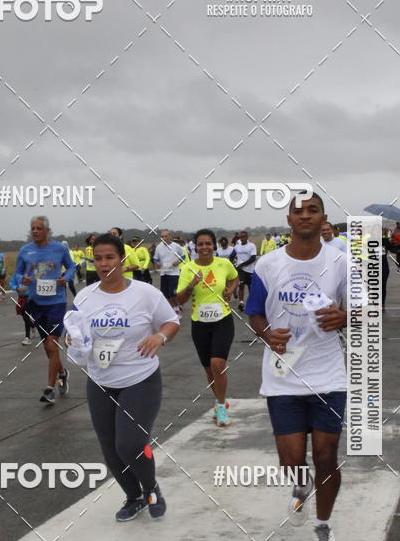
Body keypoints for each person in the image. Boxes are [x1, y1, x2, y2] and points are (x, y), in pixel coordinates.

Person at [246, 192, 348, 541]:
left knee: (325, 454)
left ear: (323, 218)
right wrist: (266, 333)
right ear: (288, 219)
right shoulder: (268, 264)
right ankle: (300, 485)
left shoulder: (340, 261)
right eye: (298, 211)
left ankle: (322, 525)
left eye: (313, 210)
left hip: (328, 375)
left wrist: (346, 317)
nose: (305, 216)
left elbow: (362, 308)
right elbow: (254, 312)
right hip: (283, 375)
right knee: (291, 460)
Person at [70, 233, 179, 521]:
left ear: (122, 259)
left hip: (140, 378)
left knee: (129, 444)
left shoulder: (145, 293)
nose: (104, 264)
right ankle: (134, 497)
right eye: (98, 259)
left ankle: (151, 487)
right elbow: (76, 332)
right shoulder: (84, 296)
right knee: (109, 447)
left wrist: (159, 337)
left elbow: (171, 321)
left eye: (110, 257)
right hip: (100, 380)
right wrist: (75, 343)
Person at [174, 229, 238, 427]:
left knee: (218, 364)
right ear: (195, 246)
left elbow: (234, 278)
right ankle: (221, 400)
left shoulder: (223, 264)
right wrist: (192, 284)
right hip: (199, 324)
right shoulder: (187, 268)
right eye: (200, 244)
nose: (204, 248)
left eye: (208, 243)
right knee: (209, 370)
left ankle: (220, 407)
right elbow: (180, 298)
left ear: (214, 246)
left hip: (223, 321)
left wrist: (231, 289)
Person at [14, 215, 75, 404]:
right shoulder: (25, 251)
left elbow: (71, 266)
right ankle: (62, 373)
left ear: (48, 231)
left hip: (56, 302)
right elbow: (17, 274)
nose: (35, 231)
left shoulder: (59, 248)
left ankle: (50, 389)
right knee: (48, 349)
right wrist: (20, 282)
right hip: (35, 303)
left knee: (52, 343)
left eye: (39, 228)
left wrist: (66, 277)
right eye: (32, 228)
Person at [153, 230, 183, 298]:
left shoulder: (176, 246)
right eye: (162, 236)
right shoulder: (159, 247)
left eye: (166, 236)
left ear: (170, 236)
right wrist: (157, 264)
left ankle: (177, 306)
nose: (164, 238)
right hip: (164, 272)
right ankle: (169, 307)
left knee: (172, 292)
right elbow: (155, 259)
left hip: (174, 272)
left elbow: (183, 256)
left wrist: (178, 262)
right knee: (164, 293)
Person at [9, 272, 36, 345]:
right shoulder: (16, 274)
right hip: (21, 298)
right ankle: (33, 326)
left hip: (30, 298)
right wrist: (17, 288)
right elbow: (11, 283)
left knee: (26, 316)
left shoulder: (32, 273)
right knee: (24, 316)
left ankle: (27, 338)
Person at [233, 230, 257, 311]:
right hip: (241, 271)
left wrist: (242, 264)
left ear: (247, 237)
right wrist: (233, 265)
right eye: (241, 237)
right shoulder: (237, 247)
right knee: (241, 286)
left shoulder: (252, 246)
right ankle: (241, 303)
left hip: (250, 270)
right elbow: (232, 256)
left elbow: (253, 258)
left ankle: (252, 303)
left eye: (244, 237)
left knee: (251, 288)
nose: (242, 238)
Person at [381, 228, 391, 311]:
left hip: (384, 266)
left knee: (383, 286)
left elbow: (392, 248)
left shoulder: (385, 241)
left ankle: (382, 303)